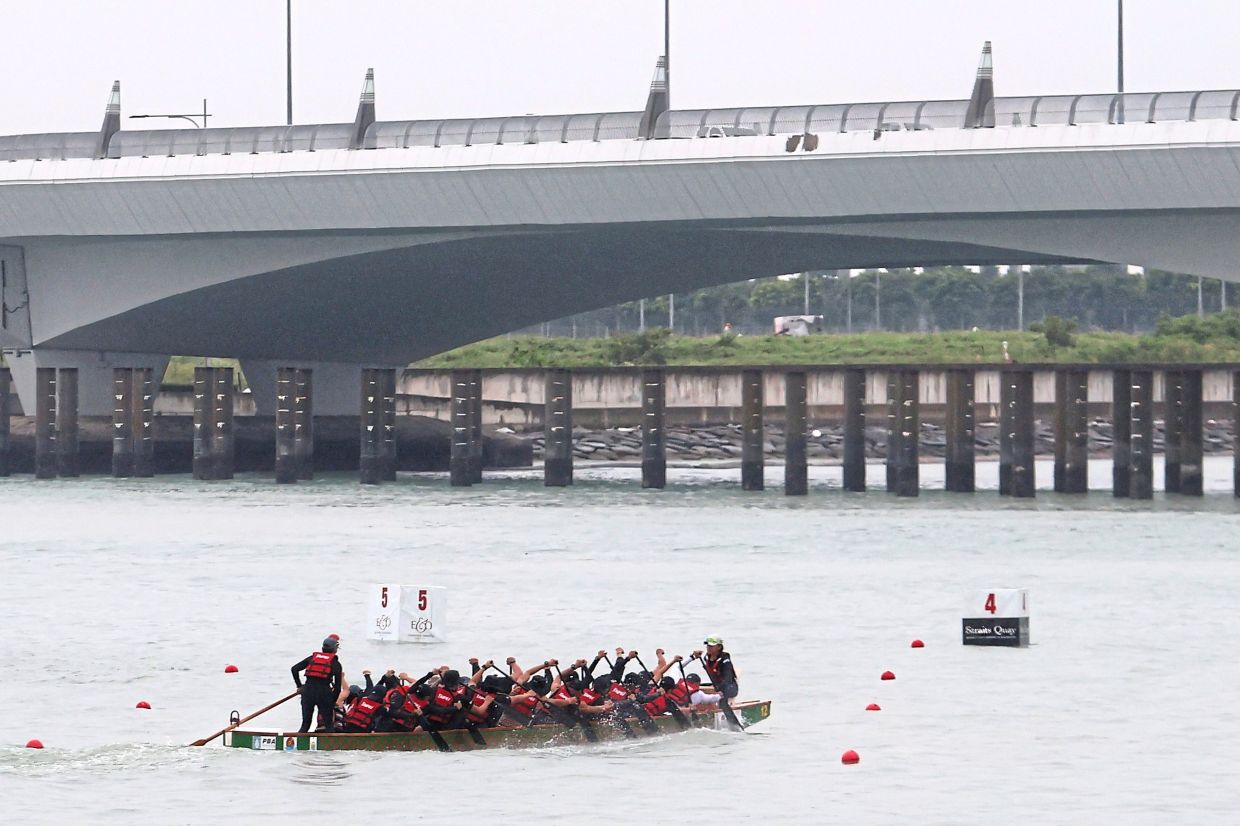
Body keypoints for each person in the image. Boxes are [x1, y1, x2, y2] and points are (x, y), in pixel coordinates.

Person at [291, 637, 343, 733]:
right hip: (324, 693)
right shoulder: (335, 663)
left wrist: (300, 686)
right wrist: (332, 702)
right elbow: (338, 688)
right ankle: (330, 746)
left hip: (307, 692)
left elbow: (294, 669)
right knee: (328, 724)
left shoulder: (312, 658)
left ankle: (298, 744)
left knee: (305, 724)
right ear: (334, 650)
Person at [695, 635, 742, 730]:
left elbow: (728, 677)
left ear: (719, 647)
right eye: (707, 646)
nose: (709, 648)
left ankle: (735, 726)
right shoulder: (705, 658)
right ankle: (706, 716)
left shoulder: (725, 659)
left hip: (730, 687)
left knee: (722, 702)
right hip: (718, 686)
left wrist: (720, 690)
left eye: (711, 646)